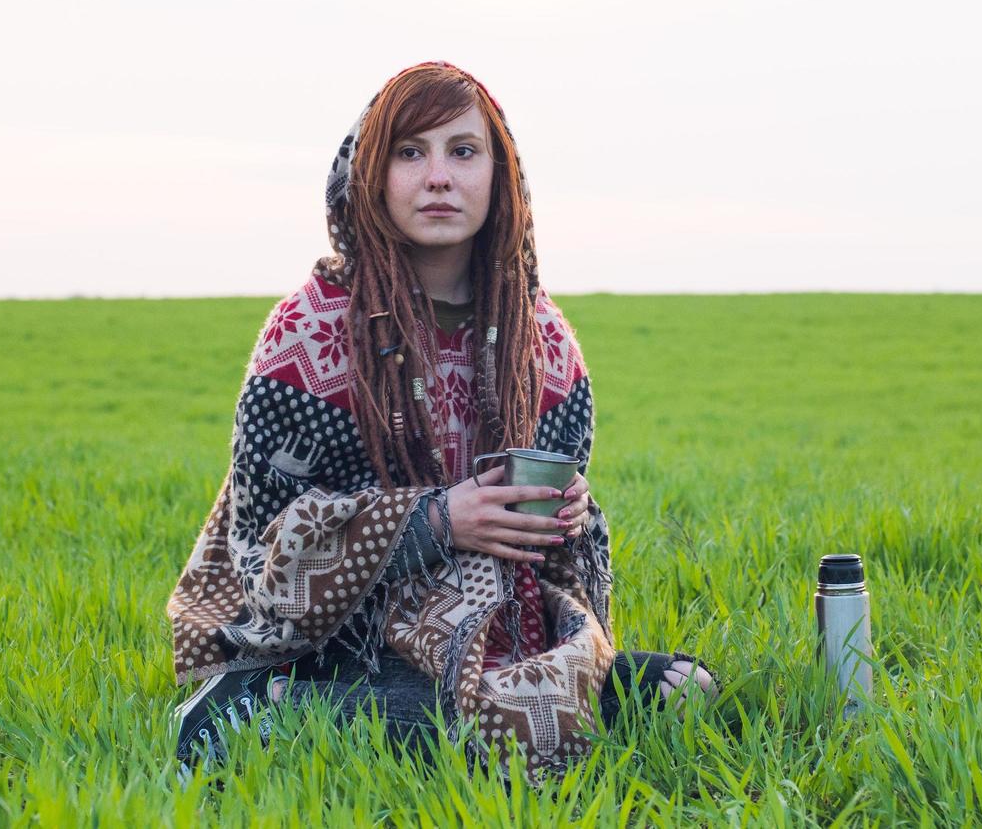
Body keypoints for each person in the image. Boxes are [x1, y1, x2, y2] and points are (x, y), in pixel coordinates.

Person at [165, 61, 718, 783]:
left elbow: (556, 548)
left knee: (691, 692)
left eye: (462, 151)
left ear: (500, 176)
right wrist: (434, 522)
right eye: (409, 151)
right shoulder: (306, 331)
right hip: (331, 641)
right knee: (471, 717)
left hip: (490, 628)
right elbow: (258, 560)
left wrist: (569, 516)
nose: (437, 176)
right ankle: (264, 701)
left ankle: (484, 695)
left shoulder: (542, 341)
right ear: (370, 175)